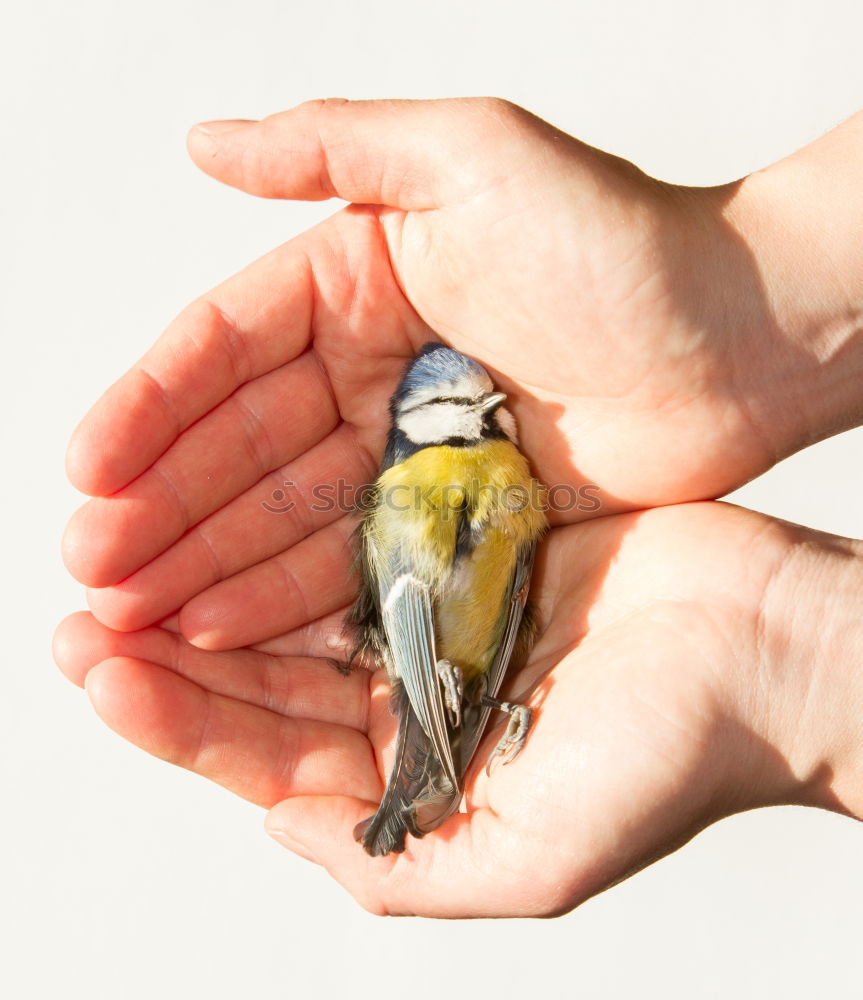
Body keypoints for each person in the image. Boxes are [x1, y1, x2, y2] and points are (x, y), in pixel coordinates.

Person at [54, 98, 863, 917]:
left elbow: (510, 585)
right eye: (462, 410)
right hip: (434, 651)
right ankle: (429, 757)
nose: (487, 413)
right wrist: (785, 660)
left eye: (486, 403)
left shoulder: (507, 466)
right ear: (420, 425)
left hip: (462, 652)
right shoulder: (411, 485)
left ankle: (433, 751)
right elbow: (411, 605)